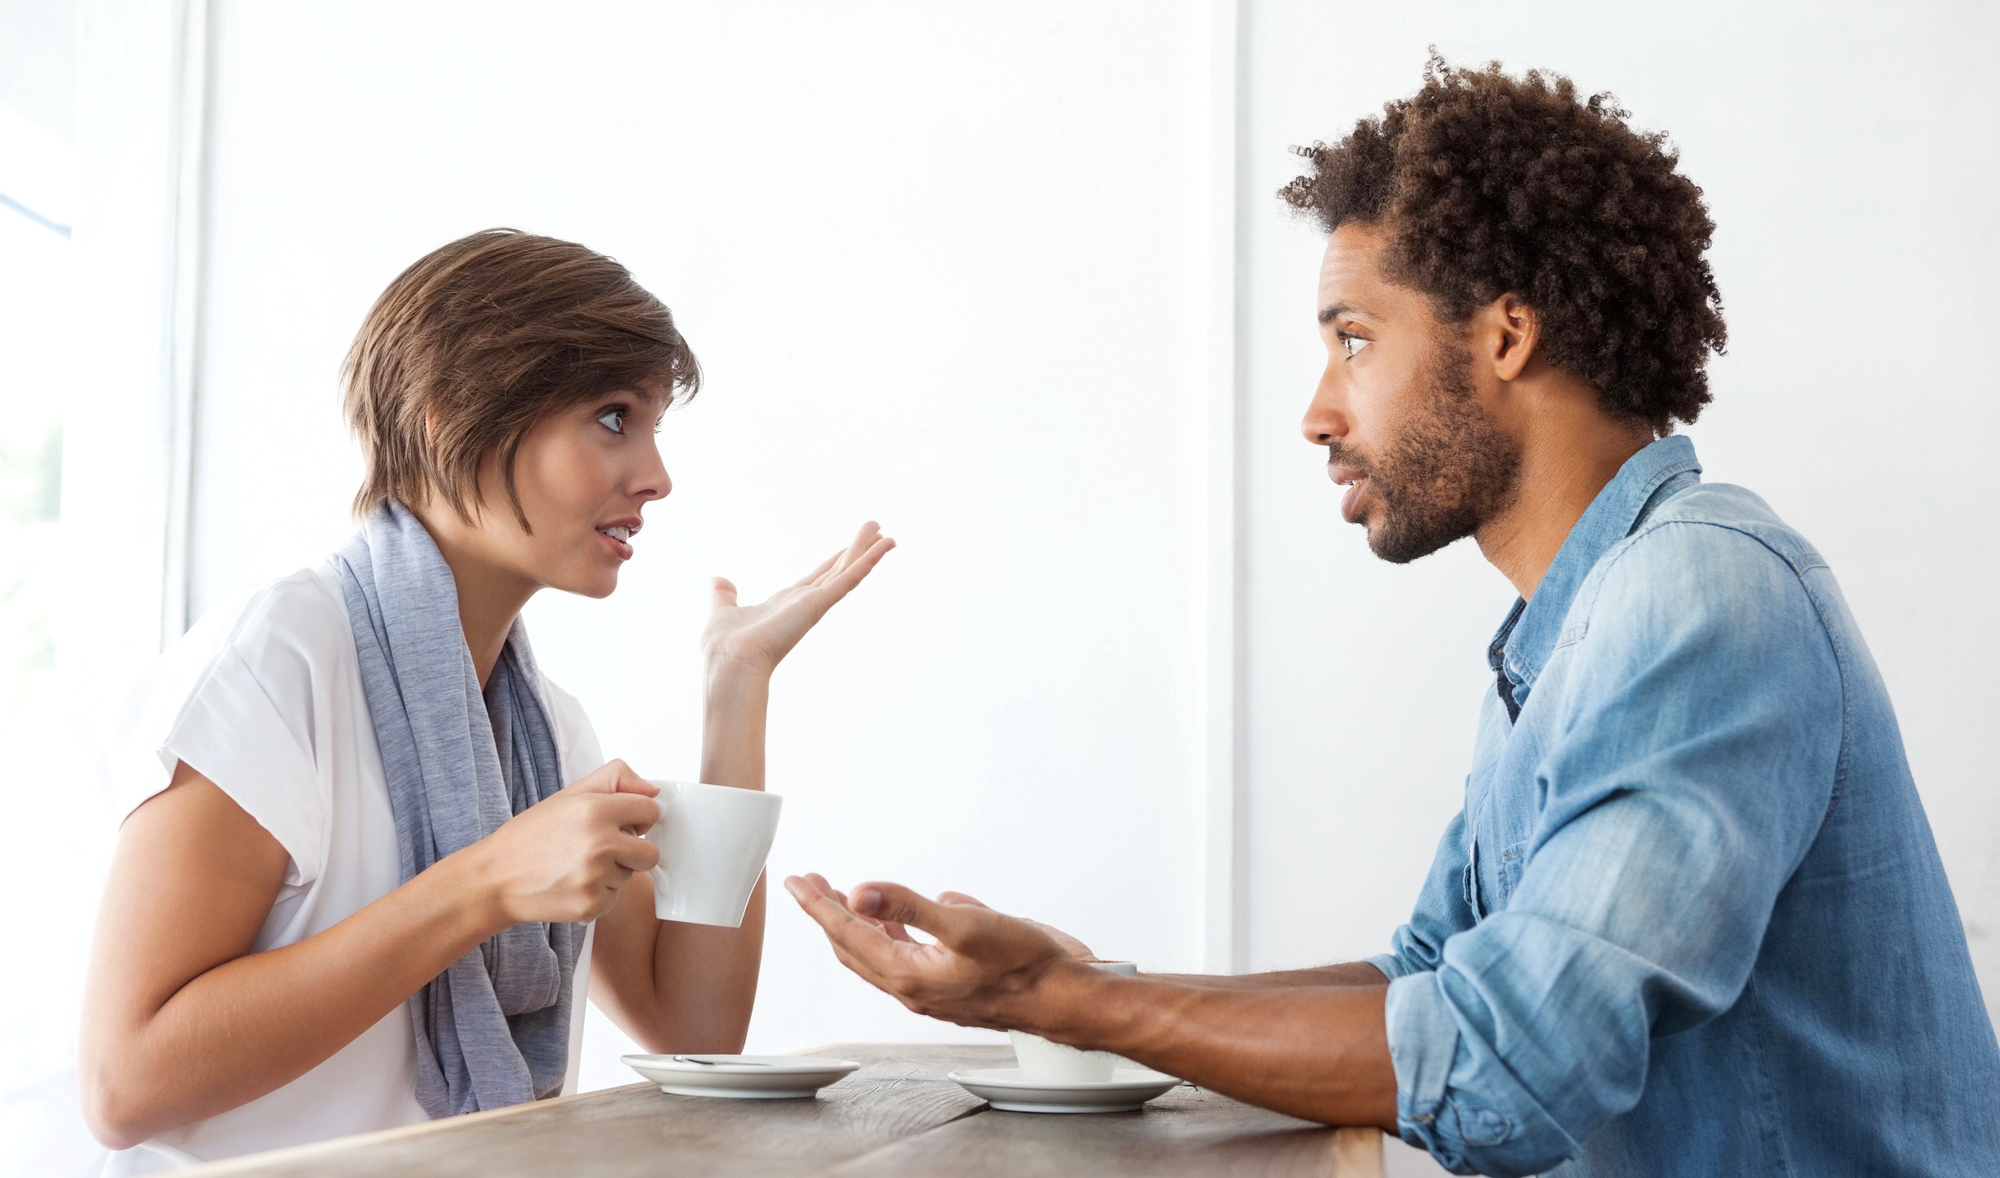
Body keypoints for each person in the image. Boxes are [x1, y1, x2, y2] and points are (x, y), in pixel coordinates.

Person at [786, 58, 2000, 1177]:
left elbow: (1506, 1058)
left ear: (1505, 334)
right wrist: (1081, 980)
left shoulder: (1697, 597)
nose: (1317, 413)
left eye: (1352, 340)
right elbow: (1424, 979)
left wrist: (1061, 1004)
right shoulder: (1567, 633)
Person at [77, 229, 894, 1172]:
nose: (657, 477)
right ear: (448, 416)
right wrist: (486, 884)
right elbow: (123, 1082)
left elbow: (695, 1032)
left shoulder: (547, 729)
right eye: (615, 418)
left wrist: (736, 687)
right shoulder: (281, 658)